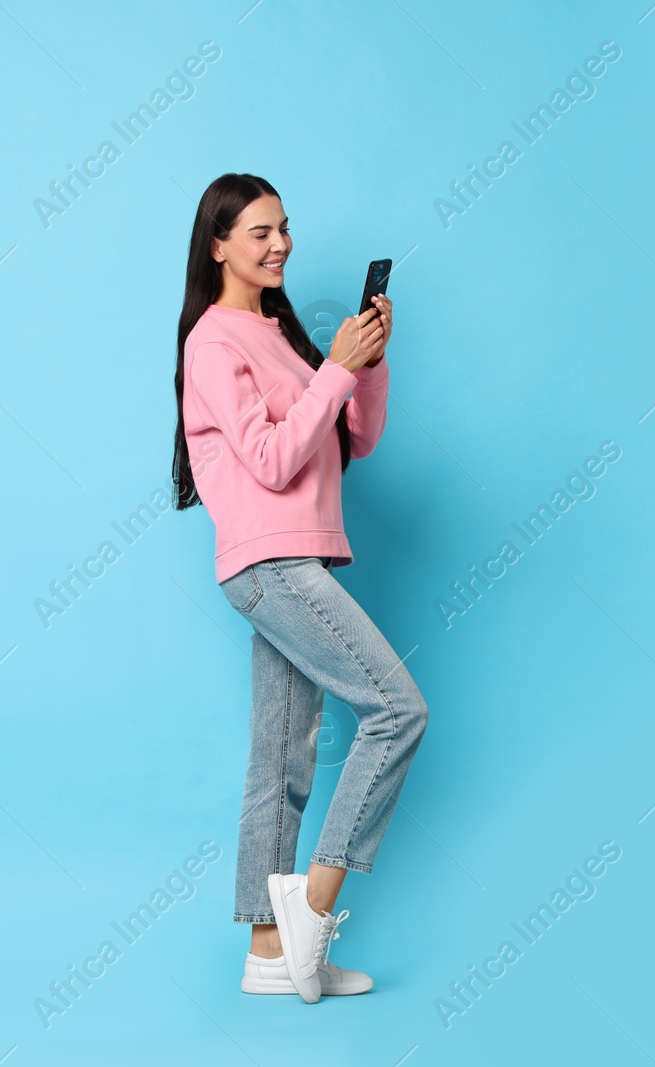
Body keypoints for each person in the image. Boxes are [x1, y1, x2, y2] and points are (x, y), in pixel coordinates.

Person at [172, 172, 429, 1003]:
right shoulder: (214, 341)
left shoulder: (279, 336)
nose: (279, 244)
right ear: (217, 245)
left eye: (284, 228)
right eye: (258, 232)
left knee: (278, 757)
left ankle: (268, 953)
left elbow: (357, 436)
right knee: (397, 711)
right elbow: (275, 461)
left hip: (298, 559)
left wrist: (368, 364)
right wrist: (335, 371)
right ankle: (314, 912)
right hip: (269, 562)